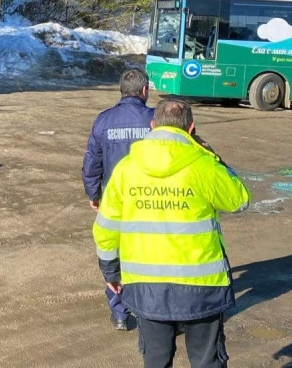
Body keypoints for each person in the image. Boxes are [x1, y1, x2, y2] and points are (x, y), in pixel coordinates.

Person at [93, 99, 250, 368]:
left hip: (145, 286)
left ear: (152, 126)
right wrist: (215, 157)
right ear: (191, 129)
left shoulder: (126, 169)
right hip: (202, 287)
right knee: (206, 362)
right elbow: (240, 199)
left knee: (156, 360)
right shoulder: (204, 165)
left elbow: (106, 228)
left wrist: (111, 271)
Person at [82, 68, 154, 331]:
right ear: (144, 91)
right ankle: (151, 309)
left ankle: (120, 312)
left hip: (115, 201)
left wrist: (94, 194)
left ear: (121, 91)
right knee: (149, 254)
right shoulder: (156, 120)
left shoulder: (104, 120)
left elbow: (92, 162)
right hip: (151, 201)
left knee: (113, 254)